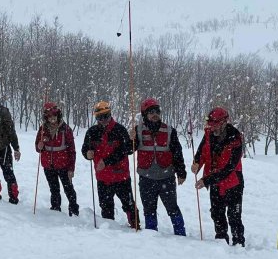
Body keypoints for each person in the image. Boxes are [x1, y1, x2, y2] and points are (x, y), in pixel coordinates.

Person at [131, 98, 187, 236]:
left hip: (166, 177)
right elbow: (128, 150)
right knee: (149, 209)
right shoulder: (137, 131)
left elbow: (177, 153)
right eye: (151, 112)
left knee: (172, 208)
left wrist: (181, 173)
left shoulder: (169, 130)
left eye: (157, 111)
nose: (155, 114)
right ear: (145, 115)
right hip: (146, 178)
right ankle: (151, 235)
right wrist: (130, 139)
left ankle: (181, 234)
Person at [192, 107, 245, 246]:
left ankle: (239, 243)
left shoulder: (235, 138)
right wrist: (197, 163)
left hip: (233, 182)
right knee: (217, 213)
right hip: (215, 182)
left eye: (215, 123)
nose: (211, 127)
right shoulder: (209, 133)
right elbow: (202, 151)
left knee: (234, 216)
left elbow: (229, 168)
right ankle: (221, 241)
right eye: (210, 123)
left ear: (224, 122)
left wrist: (206, 180)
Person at [81, 101, 140, 229]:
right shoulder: (92, 132)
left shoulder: (119, 130)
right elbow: (85, 149)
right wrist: (87, 154)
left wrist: (133, 139)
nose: (103, 120)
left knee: (129, 205)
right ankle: (110, 232)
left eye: (105, 116)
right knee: (106, 207)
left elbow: (128, 150)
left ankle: (136, 227)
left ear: (110, 114)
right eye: (99, 117)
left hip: (121, 177)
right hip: (102, 178)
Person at [35, 102, 79, 216]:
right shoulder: (43, 129)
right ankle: (55, 209)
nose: (52, 118)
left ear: (58, 115)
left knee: (69, 189)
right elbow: (37, 147)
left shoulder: (66, 129)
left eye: (54, 115)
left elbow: (72, 151)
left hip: (64, 166)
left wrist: (71, 168)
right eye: (49, 116)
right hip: (48, 166)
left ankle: (74, 211)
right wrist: (39, 146)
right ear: (46, 117)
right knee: (54, 190)